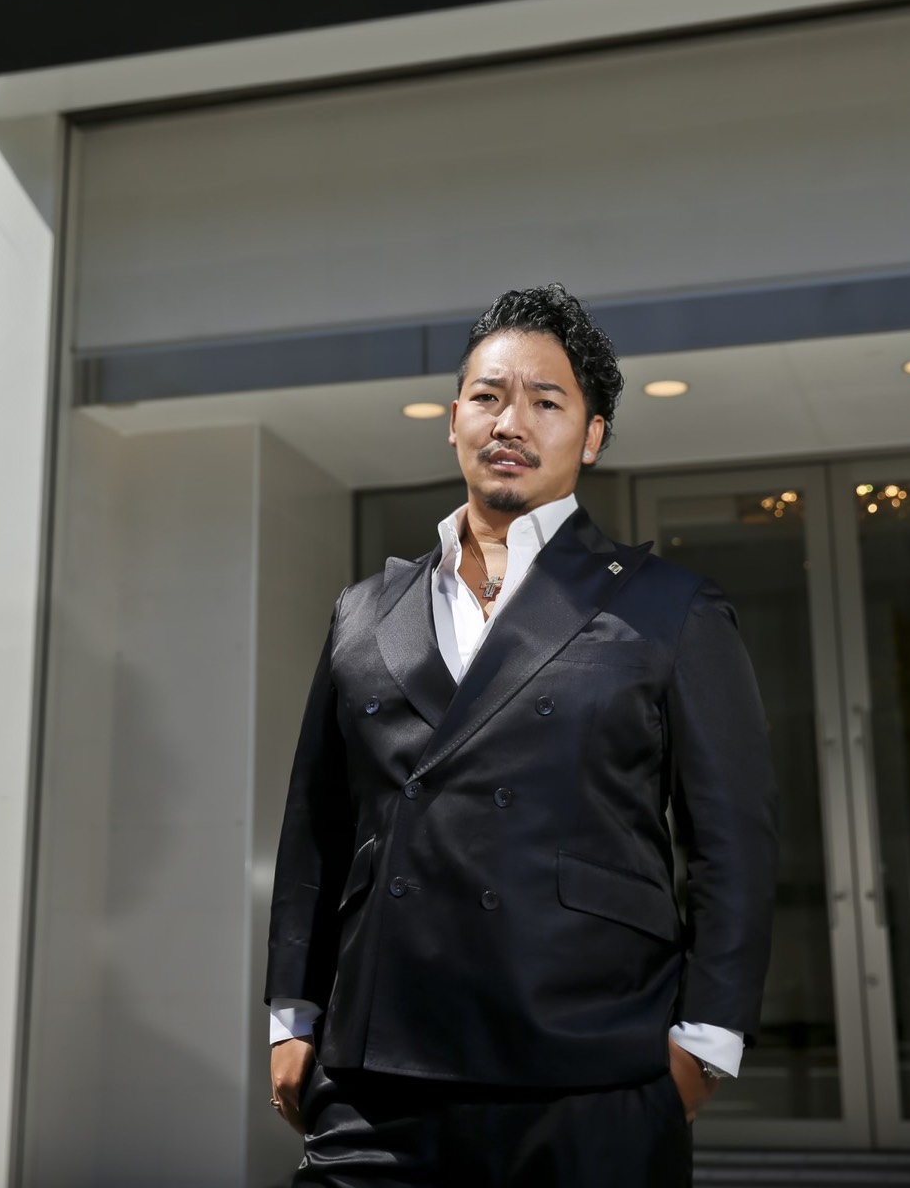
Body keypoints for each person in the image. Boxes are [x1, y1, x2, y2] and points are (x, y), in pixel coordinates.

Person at [265, 284, 777, 1186]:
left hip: (589, 1062)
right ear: (453, 420)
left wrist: (706, 1040)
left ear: (592, 436)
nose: (511, 422)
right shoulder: (364, 611)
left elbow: (731, 842)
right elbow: (318, 829)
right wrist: (291, 1014)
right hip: (379, 1068)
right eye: (488, 396)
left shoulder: (668, 608)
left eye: (546, 402)